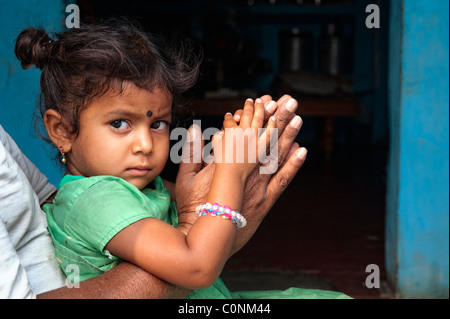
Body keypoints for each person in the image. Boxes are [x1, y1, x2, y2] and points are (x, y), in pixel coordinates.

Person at [9, 20, 350, 299]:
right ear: (62, 130)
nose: (145, 144)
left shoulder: (138, 185)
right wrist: (231, 171)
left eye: (157, 124)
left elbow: (198, 203)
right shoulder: (97, 198)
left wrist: (233, 159)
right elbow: (197, 267)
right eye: (119, 123)